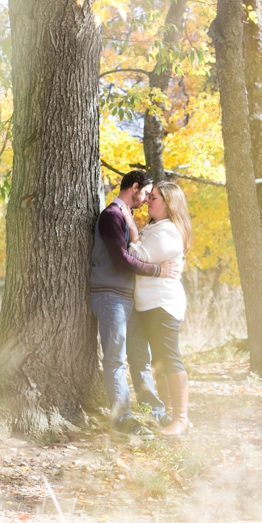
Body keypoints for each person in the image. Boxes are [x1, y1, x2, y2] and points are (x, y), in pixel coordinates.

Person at [90, 170, 181, 437]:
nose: (146, 200)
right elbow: (121, 260)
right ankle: (122, 419)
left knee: (141, 358)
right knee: (116, 359)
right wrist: (157, 271)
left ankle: (155, 412)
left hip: (128, 298)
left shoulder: (126, 217)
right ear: (134, 187)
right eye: (146, 194)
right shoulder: (111, 216)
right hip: (110, 296)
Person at [124, 181, 192, 437]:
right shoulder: (157, 227)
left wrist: (130, 227)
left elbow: (135, 255)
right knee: (159, 361)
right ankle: (168, 414)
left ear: (169, 203)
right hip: (150, 304)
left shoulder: (167, 233)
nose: (148, 201)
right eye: (149, 196)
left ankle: (181, 419)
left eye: (154, 198)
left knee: (169, 357)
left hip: (162, 304)